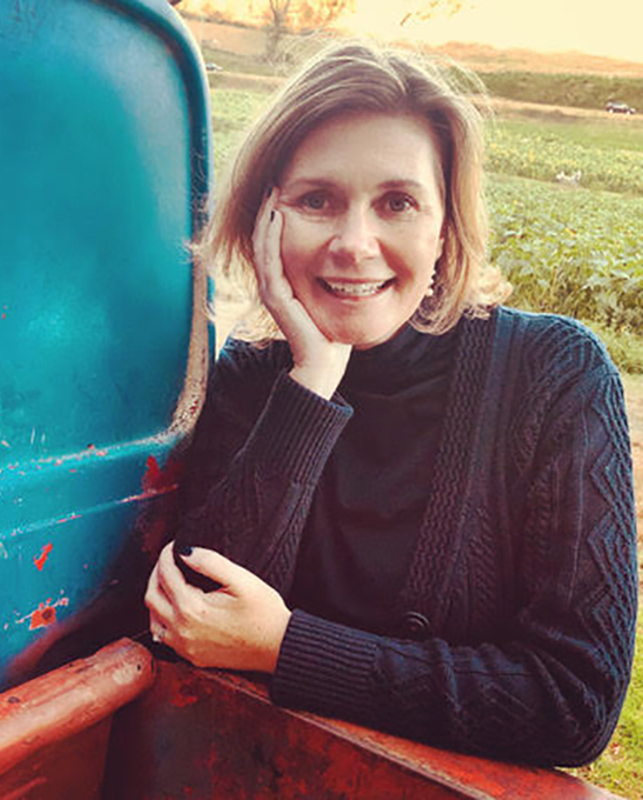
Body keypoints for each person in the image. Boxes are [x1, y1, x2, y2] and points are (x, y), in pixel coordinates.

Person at [144, 42, 638, 767]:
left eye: (397, 203)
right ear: (266, 218)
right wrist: (313, 378)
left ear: (444, 228)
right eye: (318, 200)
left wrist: (287, 647)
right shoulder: (256, 377)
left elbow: (574, 701)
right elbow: (191, 618)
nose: (354, 243)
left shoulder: (554, 375)